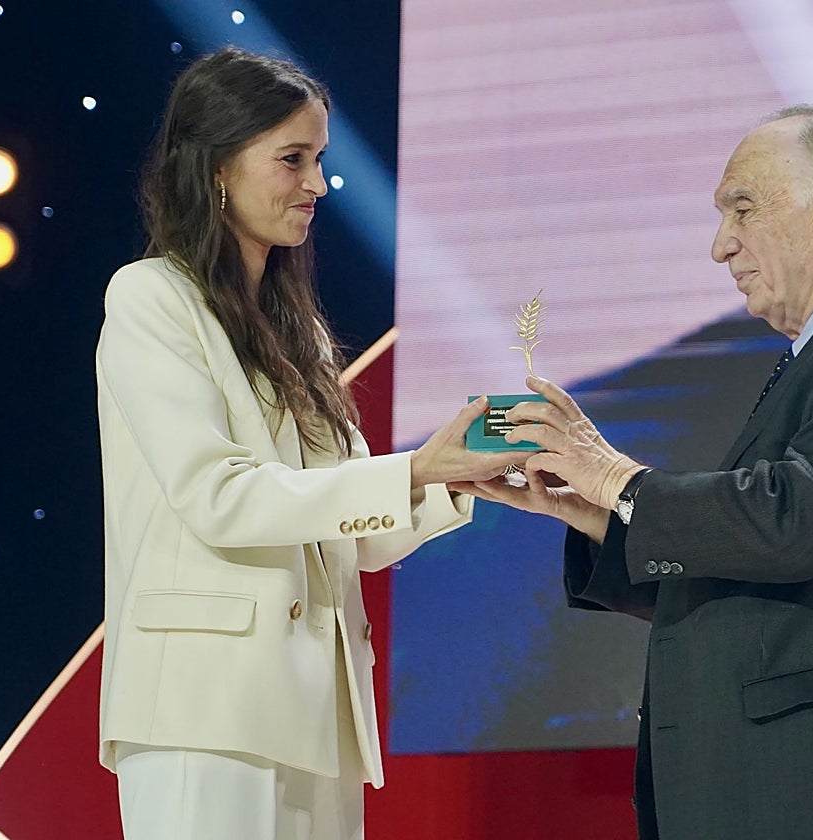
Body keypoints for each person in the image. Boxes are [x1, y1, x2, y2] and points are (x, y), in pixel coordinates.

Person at [459, 103, 813, 839]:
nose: (721, 246)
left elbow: (800, 519)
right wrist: (602, 516)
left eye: (743, 209)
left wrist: (619, 481)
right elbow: (767, 559)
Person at [95, 47, 523, 840]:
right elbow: (220, 498)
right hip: (203, 710)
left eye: (320, 159)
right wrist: (414, 468)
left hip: (317, 709)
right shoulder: (151, 299)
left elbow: (349, 532)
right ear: (218, 164)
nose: (318, 185)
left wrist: (457, 479)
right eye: (292, 160)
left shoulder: (299, 334)